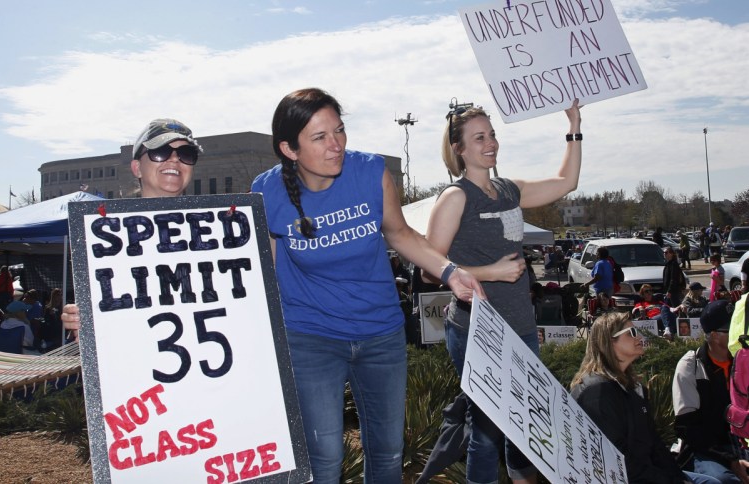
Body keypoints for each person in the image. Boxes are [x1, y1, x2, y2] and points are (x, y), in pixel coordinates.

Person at [250, 87, 484, 483]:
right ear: (290, 149)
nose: (336, 145)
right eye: (320, 137)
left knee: (388, 453)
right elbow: (264, 274)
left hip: (381, 335)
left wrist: (450, 271)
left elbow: (400, 234)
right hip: (311, 338)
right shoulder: (267, 191)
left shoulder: (370, 172)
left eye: (339, 131)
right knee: (324, 457)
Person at [423, 98, 581, 484]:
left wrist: (574, 126)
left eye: (492, 134)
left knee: (526, 422)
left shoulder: (509, 190)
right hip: (477, 330)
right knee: (488, 432)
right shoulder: (455, 197)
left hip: (522, 327)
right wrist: (489, 271)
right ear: (459, 149)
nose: (490, 143)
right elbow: (429, 272)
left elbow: (566, 183)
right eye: (479, 138)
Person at [62, 118, 203, 340]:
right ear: (137, 167)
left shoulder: (216, 231)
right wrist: (85, 322)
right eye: (160, 152)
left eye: (186, 154)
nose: (174, 160)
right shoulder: (105, 236)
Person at [570, 312, 719, 484]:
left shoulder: (631, 385)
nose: (639, 336)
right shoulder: (597, 392)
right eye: (631, 333)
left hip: (646, 473)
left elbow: (654, 443)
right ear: (610, 342)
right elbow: (617, 460)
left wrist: (677, 478)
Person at [673, 300, 749, 483]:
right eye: (731, 329)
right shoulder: (691, 365)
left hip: (741, 444)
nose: (739, 333)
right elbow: (687, 427)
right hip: (706, 449)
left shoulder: (743, 361)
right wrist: (730, 460)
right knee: (725, 481)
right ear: (714, 335)